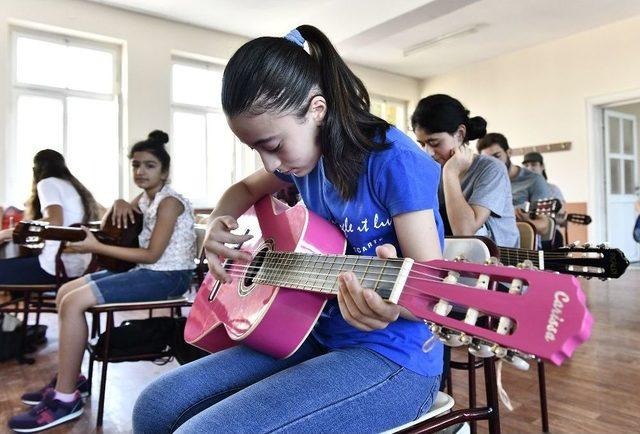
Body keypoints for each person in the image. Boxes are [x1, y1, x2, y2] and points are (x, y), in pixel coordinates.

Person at [133, 26, 444, 434]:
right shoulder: (303, 162)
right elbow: (243, 189)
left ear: (317, 109)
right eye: (256, 150)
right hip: (312, 332)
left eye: (274, 145)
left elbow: (433, 290)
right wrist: (215, 226)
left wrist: (392, 307)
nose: (270, 165)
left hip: (394, 357)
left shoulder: (393, 160)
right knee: (154, 407)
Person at [8, 131, 197, 433]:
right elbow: (119, 215)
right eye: (136, 165)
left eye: (149, 165)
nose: (140, 171)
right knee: (67, 291)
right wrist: (120, 200)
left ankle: (65, 398)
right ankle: (72, 378)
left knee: (74, 302)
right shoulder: (147, 197)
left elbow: (151, 254)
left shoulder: (169, 202)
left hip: (168, 278)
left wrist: (95, 247)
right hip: (146, 272)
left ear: (164, 171)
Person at [412, 94, 519, 248]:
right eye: (422, 144)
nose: (428, 152)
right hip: (453, 256)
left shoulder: (492, 169)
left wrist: (450, 173)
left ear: (460, 134)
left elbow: (464, 231)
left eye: (434, 142)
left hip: (499, 261)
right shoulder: (431, 168)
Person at [0, 150, 100, 285]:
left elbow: (54, 221)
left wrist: (6, 233)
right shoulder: (77, 188)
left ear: (35, 169)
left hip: (55, 268)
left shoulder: (47, 183)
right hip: (79, 268)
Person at [477, 133, 551, 235]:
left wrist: (525, 221)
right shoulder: (482, 182)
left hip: (519, 243)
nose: (493, 164)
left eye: (497, 156)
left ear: (509, 152)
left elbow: (544, 227)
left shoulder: (535, 180)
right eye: (487, 160)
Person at [522, 151, 566, 247]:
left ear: (542, 166)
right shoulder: (520, 190)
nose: (529, 168)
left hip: (549, 237)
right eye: (526, 165)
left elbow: (562, 213)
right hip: (525, 235)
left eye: (534, 164)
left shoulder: (552, 189)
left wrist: (543, 218)